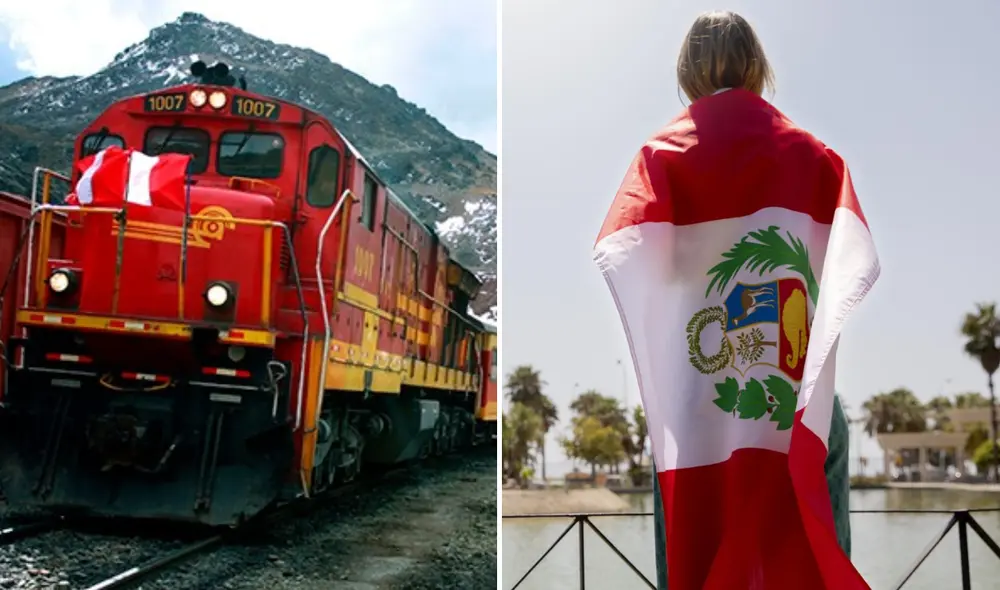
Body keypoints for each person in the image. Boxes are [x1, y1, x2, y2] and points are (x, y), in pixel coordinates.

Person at [594, 10, 878, 589]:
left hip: (700, 394)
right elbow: (843, 256)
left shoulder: (660, 158)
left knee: (689, 523)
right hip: (795, 391)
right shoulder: (813, 155)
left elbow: (630, 255)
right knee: (818, 497)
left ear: (686, 71)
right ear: (757, 65)